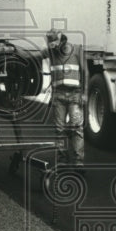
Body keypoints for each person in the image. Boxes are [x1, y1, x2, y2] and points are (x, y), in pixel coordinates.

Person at [45, 29, 86, 169]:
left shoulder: (77, 50)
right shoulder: (51, 52)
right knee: (59, 130)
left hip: (75, 95)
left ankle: (78, 162)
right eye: (52, 46)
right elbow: (34, 55)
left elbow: (85, 71)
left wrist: (84, 94)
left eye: (56, 45)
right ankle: (62, 161)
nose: (55, 48)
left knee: (77, 128)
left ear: (63, 41)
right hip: (58, 95)